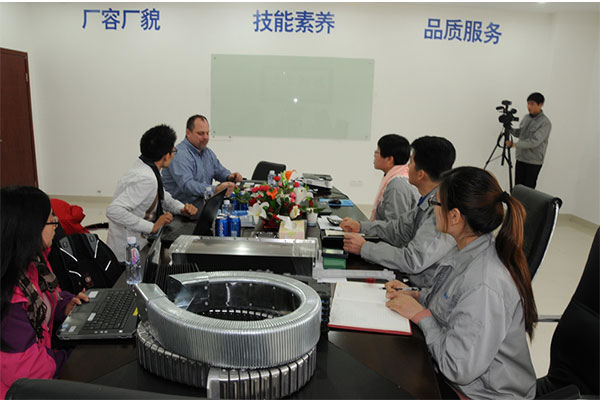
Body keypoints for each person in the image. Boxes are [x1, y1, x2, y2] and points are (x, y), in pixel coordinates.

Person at [384, 166, 537, 399]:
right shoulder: (469, 249)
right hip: (461, 380)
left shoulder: (485, 283)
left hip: (482, 394)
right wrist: (417, 295)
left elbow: (457, 368)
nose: (433, 210)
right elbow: (452, 302)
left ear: (455, 216)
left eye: (436, 203)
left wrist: (420, 315)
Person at [1, 186, 89, 397]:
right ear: (30, 228)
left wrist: (65, 305)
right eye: (51, 220)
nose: (56, 225)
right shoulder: (9, 297)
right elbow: (27, 372)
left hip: (44, 368)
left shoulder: (32, 263)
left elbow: (49, 297)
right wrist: (73, 355)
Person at [341, 136, 456, 287]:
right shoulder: (429, 199)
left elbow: (412, 259)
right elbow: (399, 229)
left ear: (421, 174)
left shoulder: (440, 209)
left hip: (426, 289)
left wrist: (365, 248)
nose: (407, 167)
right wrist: (361, 227)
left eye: (411, 162)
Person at [107, 124, 198, 261]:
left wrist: (181, 208)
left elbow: (162, 196)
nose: (174, 154)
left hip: (140, 244)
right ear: (165, 156)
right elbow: (114, 211)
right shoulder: (146, 179)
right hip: (127, 256)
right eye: (173, 150)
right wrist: (152, 227)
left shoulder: (147, 167)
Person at [162, 114, 243, 207]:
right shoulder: (179, 154)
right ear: (188, 133)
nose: (206, 137)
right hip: (180, 211)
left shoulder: (207, 152)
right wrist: (215, 190)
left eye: (207, 133)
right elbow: (188, 185)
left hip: (203, 207)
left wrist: (229, 177)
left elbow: (219, 170)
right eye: (201, 133)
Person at [506, 92, 552, 189]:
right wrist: (510, 129)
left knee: (528, 191)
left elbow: (534, 142)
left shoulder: (545, 123)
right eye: (528, 103)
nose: (529, 106)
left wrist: (514, 145)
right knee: (518, 188)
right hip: (521, 158)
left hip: (533, 162)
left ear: (540, 104)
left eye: (532, 104)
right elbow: (520, 133)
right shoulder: (526, 117)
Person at [370, 134, 418, 222]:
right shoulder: (399, 176)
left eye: (377, 152)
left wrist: (362, 226)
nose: (374, 155)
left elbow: (394, 225)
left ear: (389, 159)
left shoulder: (397, 185)